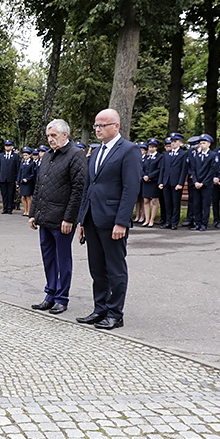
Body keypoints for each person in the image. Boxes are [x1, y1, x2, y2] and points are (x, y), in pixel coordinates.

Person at [76, 108, 142, 330]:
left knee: (115, 268)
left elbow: (130, 188)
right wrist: (82, 220)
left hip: (113, 220)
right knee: (97, 268)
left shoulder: (129, 150)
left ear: (116, 126)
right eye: (96, 125)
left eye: (102, 125)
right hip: (93, 219)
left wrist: (122, 221)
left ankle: (115, 313)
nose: (97, 129)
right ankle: (100, 308)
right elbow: (88, 187)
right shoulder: (96, 151)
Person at [28, 119, 86, 315]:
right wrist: (33, 213)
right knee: (49, 259)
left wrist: (70, 218)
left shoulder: (75, 155)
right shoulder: (47, 156)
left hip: (62, 219)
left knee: (63, 259)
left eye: (53, 136)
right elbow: (39, 186)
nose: (50, 140)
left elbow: (78, 189)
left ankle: (62, 297)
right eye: (48, 136)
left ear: (65, 135)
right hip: (44, 217)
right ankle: (50, 294)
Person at [187, 134, 217, 231]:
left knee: (205, 204)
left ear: (209, 144)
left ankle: (204, 223)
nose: (202, 145)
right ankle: (197, 222)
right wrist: (195, 181)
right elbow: (193, 170)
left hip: (206, 184)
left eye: (204, 143)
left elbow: (211, 171)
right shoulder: (198, 155)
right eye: (200, 143)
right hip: (197, 183)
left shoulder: (212, 155)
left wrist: (203, 183)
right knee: (197, 204)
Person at [159, 133, 187, 230]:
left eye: (175, 142)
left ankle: (174, 222)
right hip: (166, 181)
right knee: (167, 203)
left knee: (175, 203)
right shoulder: (166, 154)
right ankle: (168, 221)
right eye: (172, 142)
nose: (173, 144)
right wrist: (161, 182)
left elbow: (183, 170)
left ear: (180, 143)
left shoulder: (183, 154)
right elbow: (163, 169)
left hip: (176, 182)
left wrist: (180, 183)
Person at [141, 138, 163, 227]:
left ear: (156, 148)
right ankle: (146, 219)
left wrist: (150, 176)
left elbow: (159, 169)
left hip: (154, 181)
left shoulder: (160, 157)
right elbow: (141, 168)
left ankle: (152, 220)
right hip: (145, 181)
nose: (151, 149)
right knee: (145, 200)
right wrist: (144, 176)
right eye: (150, 147)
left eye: (153, 147)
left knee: (154, 200)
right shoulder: (146, 157)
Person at [0, 140, 20, 214]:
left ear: (11, 147)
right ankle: (5, 208)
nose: (7, 147)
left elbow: (18, 168)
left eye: (9, 146)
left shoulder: (15, 156)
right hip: (3, 178)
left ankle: (10, 209)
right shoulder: (1, 156)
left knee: (11, 194)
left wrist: (17, 179)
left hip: (11, 178)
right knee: (4, 194)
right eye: (6, 146)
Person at [18, 146, 37, 216]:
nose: (25, 157)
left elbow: (33, 174)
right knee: (23, 197)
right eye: (24, 155)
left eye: (26, 155)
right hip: (22, 182)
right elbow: (20, 172)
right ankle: (25, 210)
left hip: (28, 183)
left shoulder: (32, 163)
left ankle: (29, 211)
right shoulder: (22, 163)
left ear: (29, 155)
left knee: (28, 197)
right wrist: (18, 181)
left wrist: (28, 179)